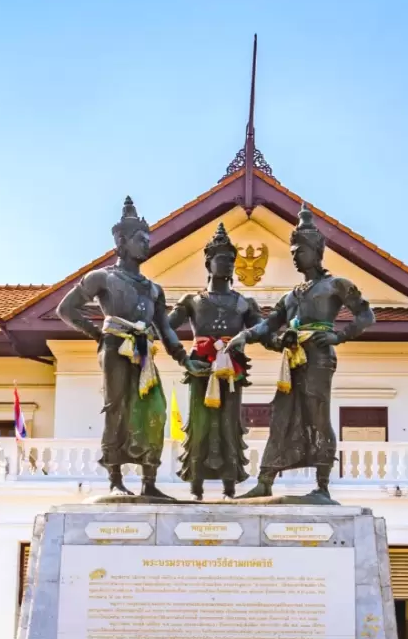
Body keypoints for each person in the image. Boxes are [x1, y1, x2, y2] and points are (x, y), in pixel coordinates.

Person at [234, 206, 374, 501]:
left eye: (299, 250)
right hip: (293, 360)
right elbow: (268, 325)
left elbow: (366, 316)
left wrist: (338, 335)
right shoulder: (292, 295)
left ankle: (322, 485)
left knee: (318, 417)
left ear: (315, 250)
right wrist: (246, 336)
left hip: (319, 359)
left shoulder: (335, 285)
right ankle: (265, 480)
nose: (295, 255)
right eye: (293, 250)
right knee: (281, 415)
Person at [56, 197, 186, 497]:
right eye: (141, 240)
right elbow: (67, 309)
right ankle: (114, 478)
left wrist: (183, 357)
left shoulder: (153, 288)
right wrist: (98, 335)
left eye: (148, 240)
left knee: (155, 410)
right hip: (116, 346)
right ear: (122, 242)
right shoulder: (103, 278)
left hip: (143, 351)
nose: (147, 245)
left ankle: (149, 481)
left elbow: (165, 327)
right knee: (119, 408)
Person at [168, 223, 262, 499]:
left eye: (232, 261)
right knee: (199, 423)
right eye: (222, 259)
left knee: (229, 423)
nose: (229, 265)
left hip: (231, 367)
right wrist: (183, 358)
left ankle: (229, 487)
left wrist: (247, 335)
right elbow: (165, 327)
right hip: (201, 365)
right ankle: (195, 487)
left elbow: (262, 330)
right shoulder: (192, 301)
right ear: (208, 263)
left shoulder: (244, 303)